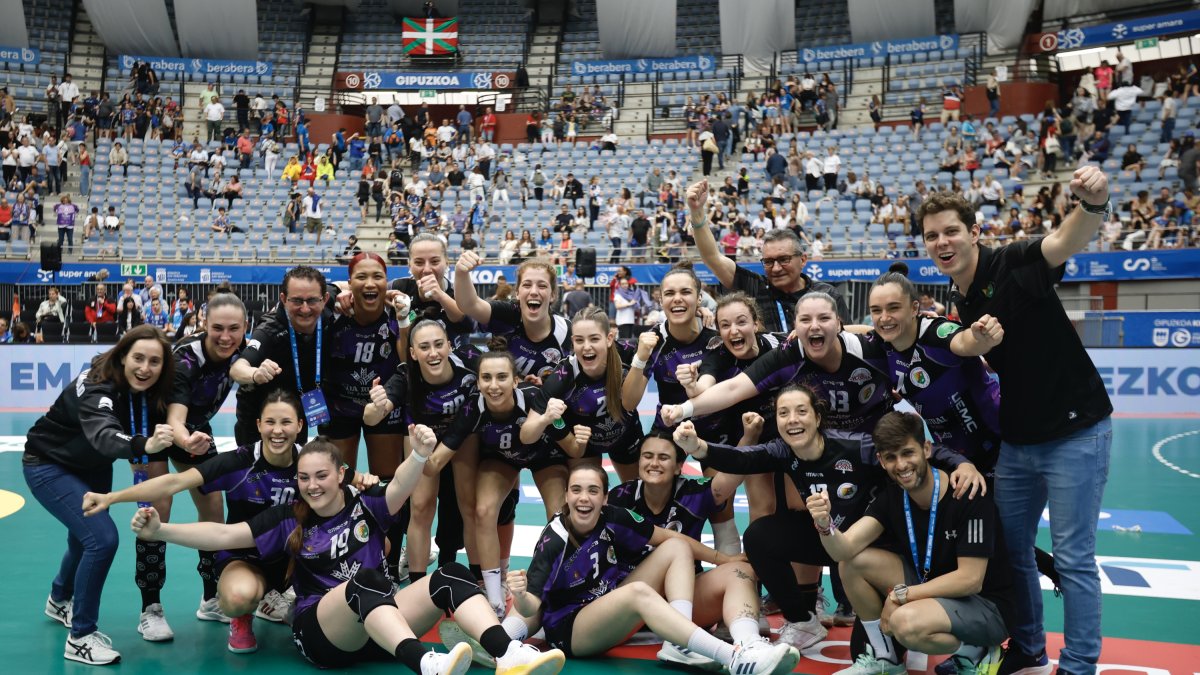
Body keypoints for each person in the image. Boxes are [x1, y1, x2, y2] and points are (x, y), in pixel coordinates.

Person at [128, 435, 567, 675]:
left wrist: (418, 453)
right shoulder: (287, 518)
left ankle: (507, 655)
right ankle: (425, 664)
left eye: (321, 475)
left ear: (341, 475)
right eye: (303, 478)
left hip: (377, 622)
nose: (312, 485)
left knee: (448, 574)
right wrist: (161, 530)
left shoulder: (367, 504)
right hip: (323, 634)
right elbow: (222, 534)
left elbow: (400, 488)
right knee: (367, 581)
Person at [920, 169, 1114, 675]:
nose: (943, 242)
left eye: (951, 231)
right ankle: (1028, 651)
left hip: (1076, 430)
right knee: (1015, 553)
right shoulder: (959, 300)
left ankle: (1077, 667)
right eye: (932, 236)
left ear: (974, 232)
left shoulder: (1011, 262)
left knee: (1073, 560)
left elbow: (1061, 241)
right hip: (1020, 443)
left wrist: (1093, 204)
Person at [82, 391, 373, 651]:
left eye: (286, 422)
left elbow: (354, 479)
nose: (278, 431)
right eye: (270, 422)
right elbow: (174, 482)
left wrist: (368, 480)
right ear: (258, 425)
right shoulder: (239, 462)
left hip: (299, 556)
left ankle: (282, 597)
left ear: (299, 426)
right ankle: (244, 615)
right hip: (247, 556)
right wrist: (112, 497)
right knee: (238, 596)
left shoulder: (312, 462)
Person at [508, 465, 796, 673]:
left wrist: (723, 558)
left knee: (688, 551)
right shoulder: (554, 540)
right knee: (638, 593)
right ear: (567, 497)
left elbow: (670, 538)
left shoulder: (613, 517)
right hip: (572, 630)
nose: (584, 498)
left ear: (604, 498)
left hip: (610, 606)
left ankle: (746, 646)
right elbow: (532, 604)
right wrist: (519, 599)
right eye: (577, 490)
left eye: (593, 491)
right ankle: (731, 658)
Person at [806, 412, 1008, 675]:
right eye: (891, 457)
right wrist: (825, 524)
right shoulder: (894, 498)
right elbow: (843, 549)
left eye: (907, 453)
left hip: (985, 604)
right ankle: (885, 659)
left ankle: (979, 651)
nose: (901, 465)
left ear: (926, 449)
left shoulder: (967, 493)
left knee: (904, 623)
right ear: (881, 460)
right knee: (852, 562)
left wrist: (901, 596)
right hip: (934, 588)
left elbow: (971, 580)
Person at [23, 325, 177, 664]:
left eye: (154, 362)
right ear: (122, 356)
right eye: (138, 358)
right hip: (48, 464)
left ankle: (59, 598)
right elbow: (104, 435)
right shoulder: (97, 387)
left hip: (91, 467)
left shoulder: (145, 387)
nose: (145, 368)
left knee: (83, 539)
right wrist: (143, 445)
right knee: (102, 539)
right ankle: (80, 636)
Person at [421, 350, 580, 617]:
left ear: (515, 381)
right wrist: (418, 454)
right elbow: (435, 463)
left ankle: (561, 589)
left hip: (545, 457)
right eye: (487, 378)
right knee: (483, 511)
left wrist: (567, 434)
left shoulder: (534, 397)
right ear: (479, 382)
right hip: (504, 459)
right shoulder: (474, 407)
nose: (494, 386)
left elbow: (568, 447)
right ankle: (494, 599)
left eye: (502, 377)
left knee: (559, 518)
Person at [365, 320, 482, 583]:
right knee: (420, 506)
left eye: (439, 344)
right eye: (425, 347)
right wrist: (377, 405)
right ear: (413, 352)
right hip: (422, 437)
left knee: (469, 506)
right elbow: (371, 418)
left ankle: (478, 580)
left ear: (450, 346)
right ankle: (419, 584)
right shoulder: (405, 374)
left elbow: (501, 370)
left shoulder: (470, 359)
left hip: (463, 436)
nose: (433, 353)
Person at [867, 273, 1003, 473]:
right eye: (876, 310)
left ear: (914, 308)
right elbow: (843, 334)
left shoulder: (936, 333)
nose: (884, 318)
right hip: (955, 456)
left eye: (894, 308)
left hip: (1001, 443)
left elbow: (965, 342)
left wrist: (983, 338)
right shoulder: (882, 345)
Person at [687, 180, 847, 331]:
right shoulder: (755, 288)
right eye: (769, 262)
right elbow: (713, 258)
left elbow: (846, 338)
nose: (776, 268)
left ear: (803, 260)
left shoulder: (827, 294)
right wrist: (697, 212)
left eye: (784, 259)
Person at [230, 266, 330, 448]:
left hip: (296, 413)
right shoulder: (269, 330)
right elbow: (237, 368)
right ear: (283, 299)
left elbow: (344, 287)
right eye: (297, 301)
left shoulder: (328, 314)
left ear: (325, 299)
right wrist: (255, 374)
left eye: (312, 300)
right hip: (258, 420)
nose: (305, 309)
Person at [541, 308, 645, 482]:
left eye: (595, 338)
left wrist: (699, 312)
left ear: (609, 338)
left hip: (626, 436)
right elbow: (534, 423)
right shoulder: (564, 374)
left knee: (636, 493)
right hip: (583, 442)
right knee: (586, 494)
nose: (587, 347)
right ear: (573, 342)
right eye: (580, 340)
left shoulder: (628, 353)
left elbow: (666, 337)